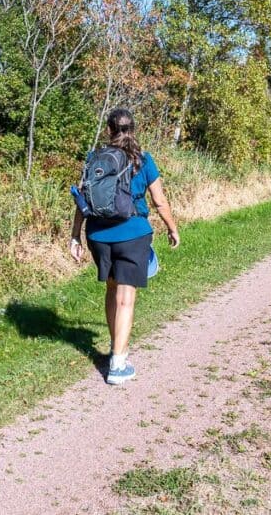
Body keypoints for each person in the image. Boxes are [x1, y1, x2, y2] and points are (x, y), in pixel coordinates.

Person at [69, 108, 180, 385]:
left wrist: (75, 237)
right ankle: (118, 365)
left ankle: (115, 348)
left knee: (111, 289)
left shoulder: (95, 159)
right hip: (132, 234)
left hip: (98, 236)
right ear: (133, 129)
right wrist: (172, 227)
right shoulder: (143, 160)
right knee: (125, 297)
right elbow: (159, 200)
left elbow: (82, 200)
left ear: (109, 130)